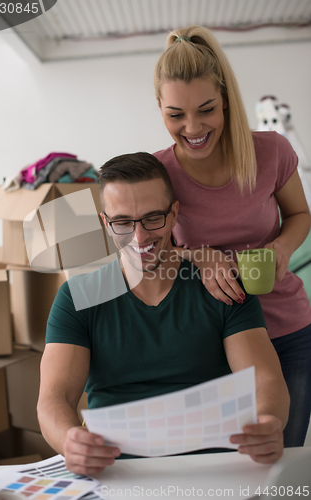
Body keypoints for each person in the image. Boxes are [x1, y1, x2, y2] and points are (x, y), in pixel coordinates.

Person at [37, 152, 289, 477]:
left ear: (174, 215)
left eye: (152, 218)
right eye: (123, 222)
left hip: (215, 469)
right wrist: (69, 439)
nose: (139, 237)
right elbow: (53, 398)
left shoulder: (222, 288)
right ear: (105, 222)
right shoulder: (77, 297)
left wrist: (268, 421)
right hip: (116, 471)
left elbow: (266, 380)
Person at [153, 26, 311, 447]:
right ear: (159, 108)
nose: (193, 128)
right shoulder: (157, 173)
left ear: (226, 100)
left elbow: (299, 214)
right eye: (176, 115)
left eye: (206, 109)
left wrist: (282, 246)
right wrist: (196, 256)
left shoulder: (272, 152)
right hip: (209, 339)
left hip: (288, 329)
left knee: (280, 461)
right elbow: (146, 253)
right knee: (222, 472)